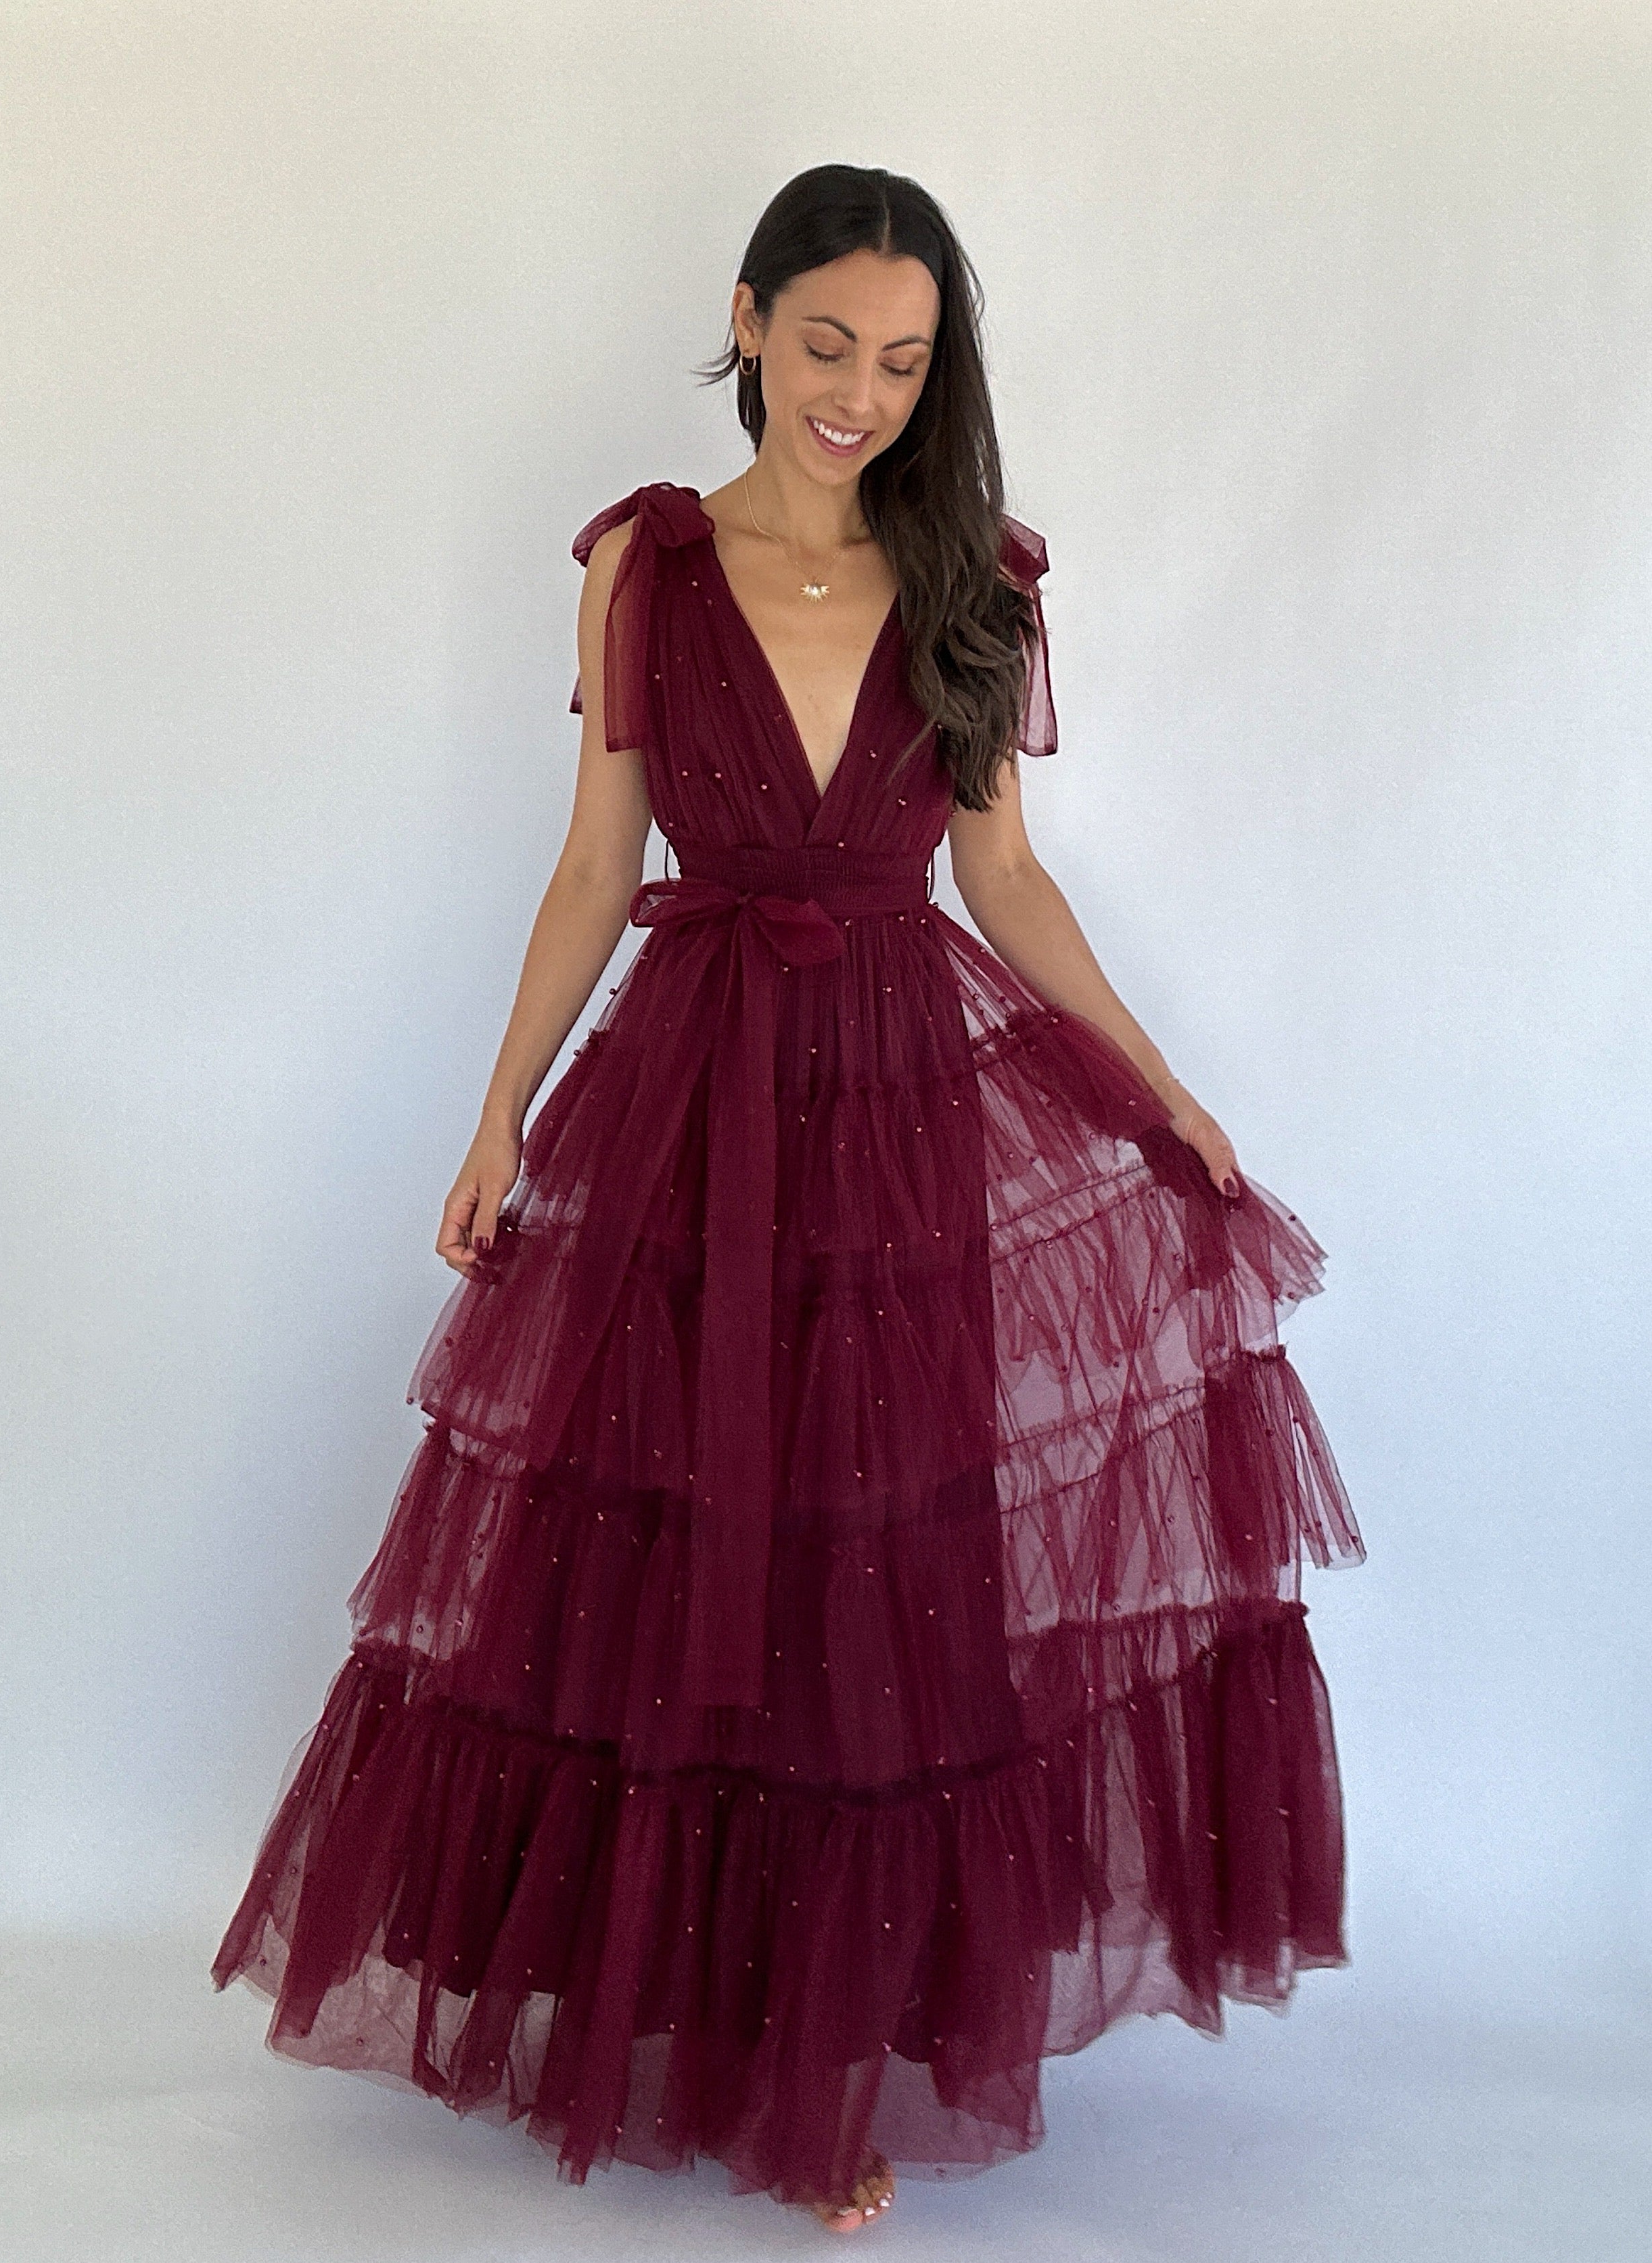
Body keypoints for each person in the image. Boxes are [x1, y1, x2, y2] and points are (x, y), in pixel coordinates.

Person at [212, 163, 1365, 2236]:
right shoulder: (643, 567)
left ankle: (833, 2064)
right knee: (662, 1559)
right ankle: (664, 2008)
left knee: (879, 1567)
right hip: (688, 1101)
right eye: (825, 342)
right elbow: (595, 861)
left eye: (904, 361)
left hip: (899, 1108)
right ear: (745, 320)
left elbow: (1004, 879)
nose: (859, 392)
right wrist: (498, 1114)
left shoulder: (978, 578)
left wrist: (1165, 1094)